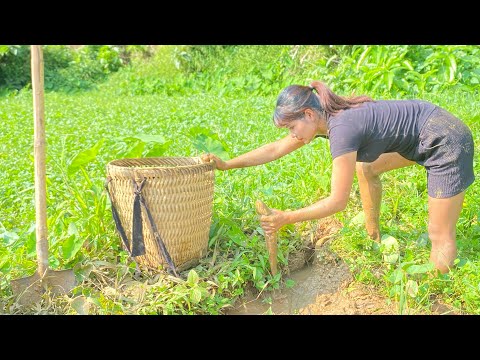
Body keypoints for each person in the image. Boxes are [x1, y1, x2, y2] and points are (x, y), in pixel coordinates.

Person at [201, 81, 475, 274]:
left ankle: (433, 288)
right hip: (422, 132)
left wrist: (286, 217)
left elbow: (337, 202)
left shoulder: (342, 130)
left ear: (308, 114)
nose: (292, 135)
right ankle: (373, 234)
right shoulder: (324, 116)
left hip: (444, 139)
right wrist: (227, 165)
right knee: (366, 166)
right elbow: (274, 149)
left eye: (292, 127)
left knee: (439, 234)